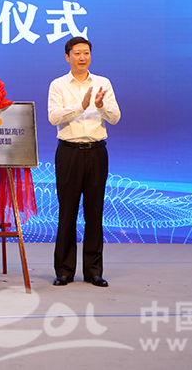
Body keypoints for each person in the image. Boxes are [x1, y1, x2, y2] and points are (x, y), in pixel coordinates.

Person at [47, 36, 120, 287]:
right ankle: (64, 271)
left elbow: (115, 117)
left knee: (94, 212)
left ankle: (93, 271)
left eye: (86, 53)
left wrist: (99, 106)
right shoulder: (58, 85)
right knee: (67, 212)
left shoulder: (103, 83)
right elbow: (54, 117)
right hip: (68, 153)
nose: (82, 57)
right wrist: (81, 106)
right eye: (77, 53)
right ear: (67, 57)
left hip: (96, 152)